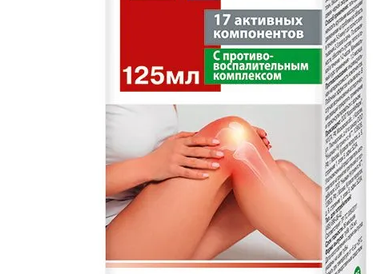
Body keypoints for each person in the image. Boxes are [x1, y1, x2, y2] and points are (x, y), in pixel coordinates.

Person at [105, 105, 322, 260]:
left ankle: (340, 258)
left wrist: (228, 145)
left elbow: (150, 147)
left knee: (283, 173)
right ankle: (329, 267)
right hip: (111, 245)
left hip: (153, 224)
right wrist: (150, 165)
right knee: (231, 136)